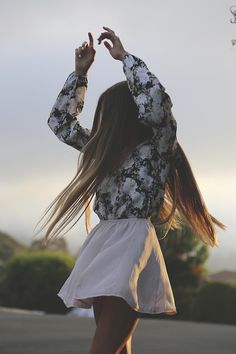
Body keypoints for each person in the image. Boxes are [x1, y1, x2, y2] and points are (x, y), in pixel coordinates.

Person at [35, 26, 226, 354]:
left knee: (105, 347)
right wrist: (80, 74)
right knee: (117, 349)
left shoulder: (157, 145)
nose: (101, 124)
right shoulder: (102, 150)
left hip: (133, 242)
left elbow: (155, 104)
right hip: (105, 240)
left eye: (106, 115)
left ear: (124, 116)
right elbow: (60, 123)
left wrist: (126, 59)